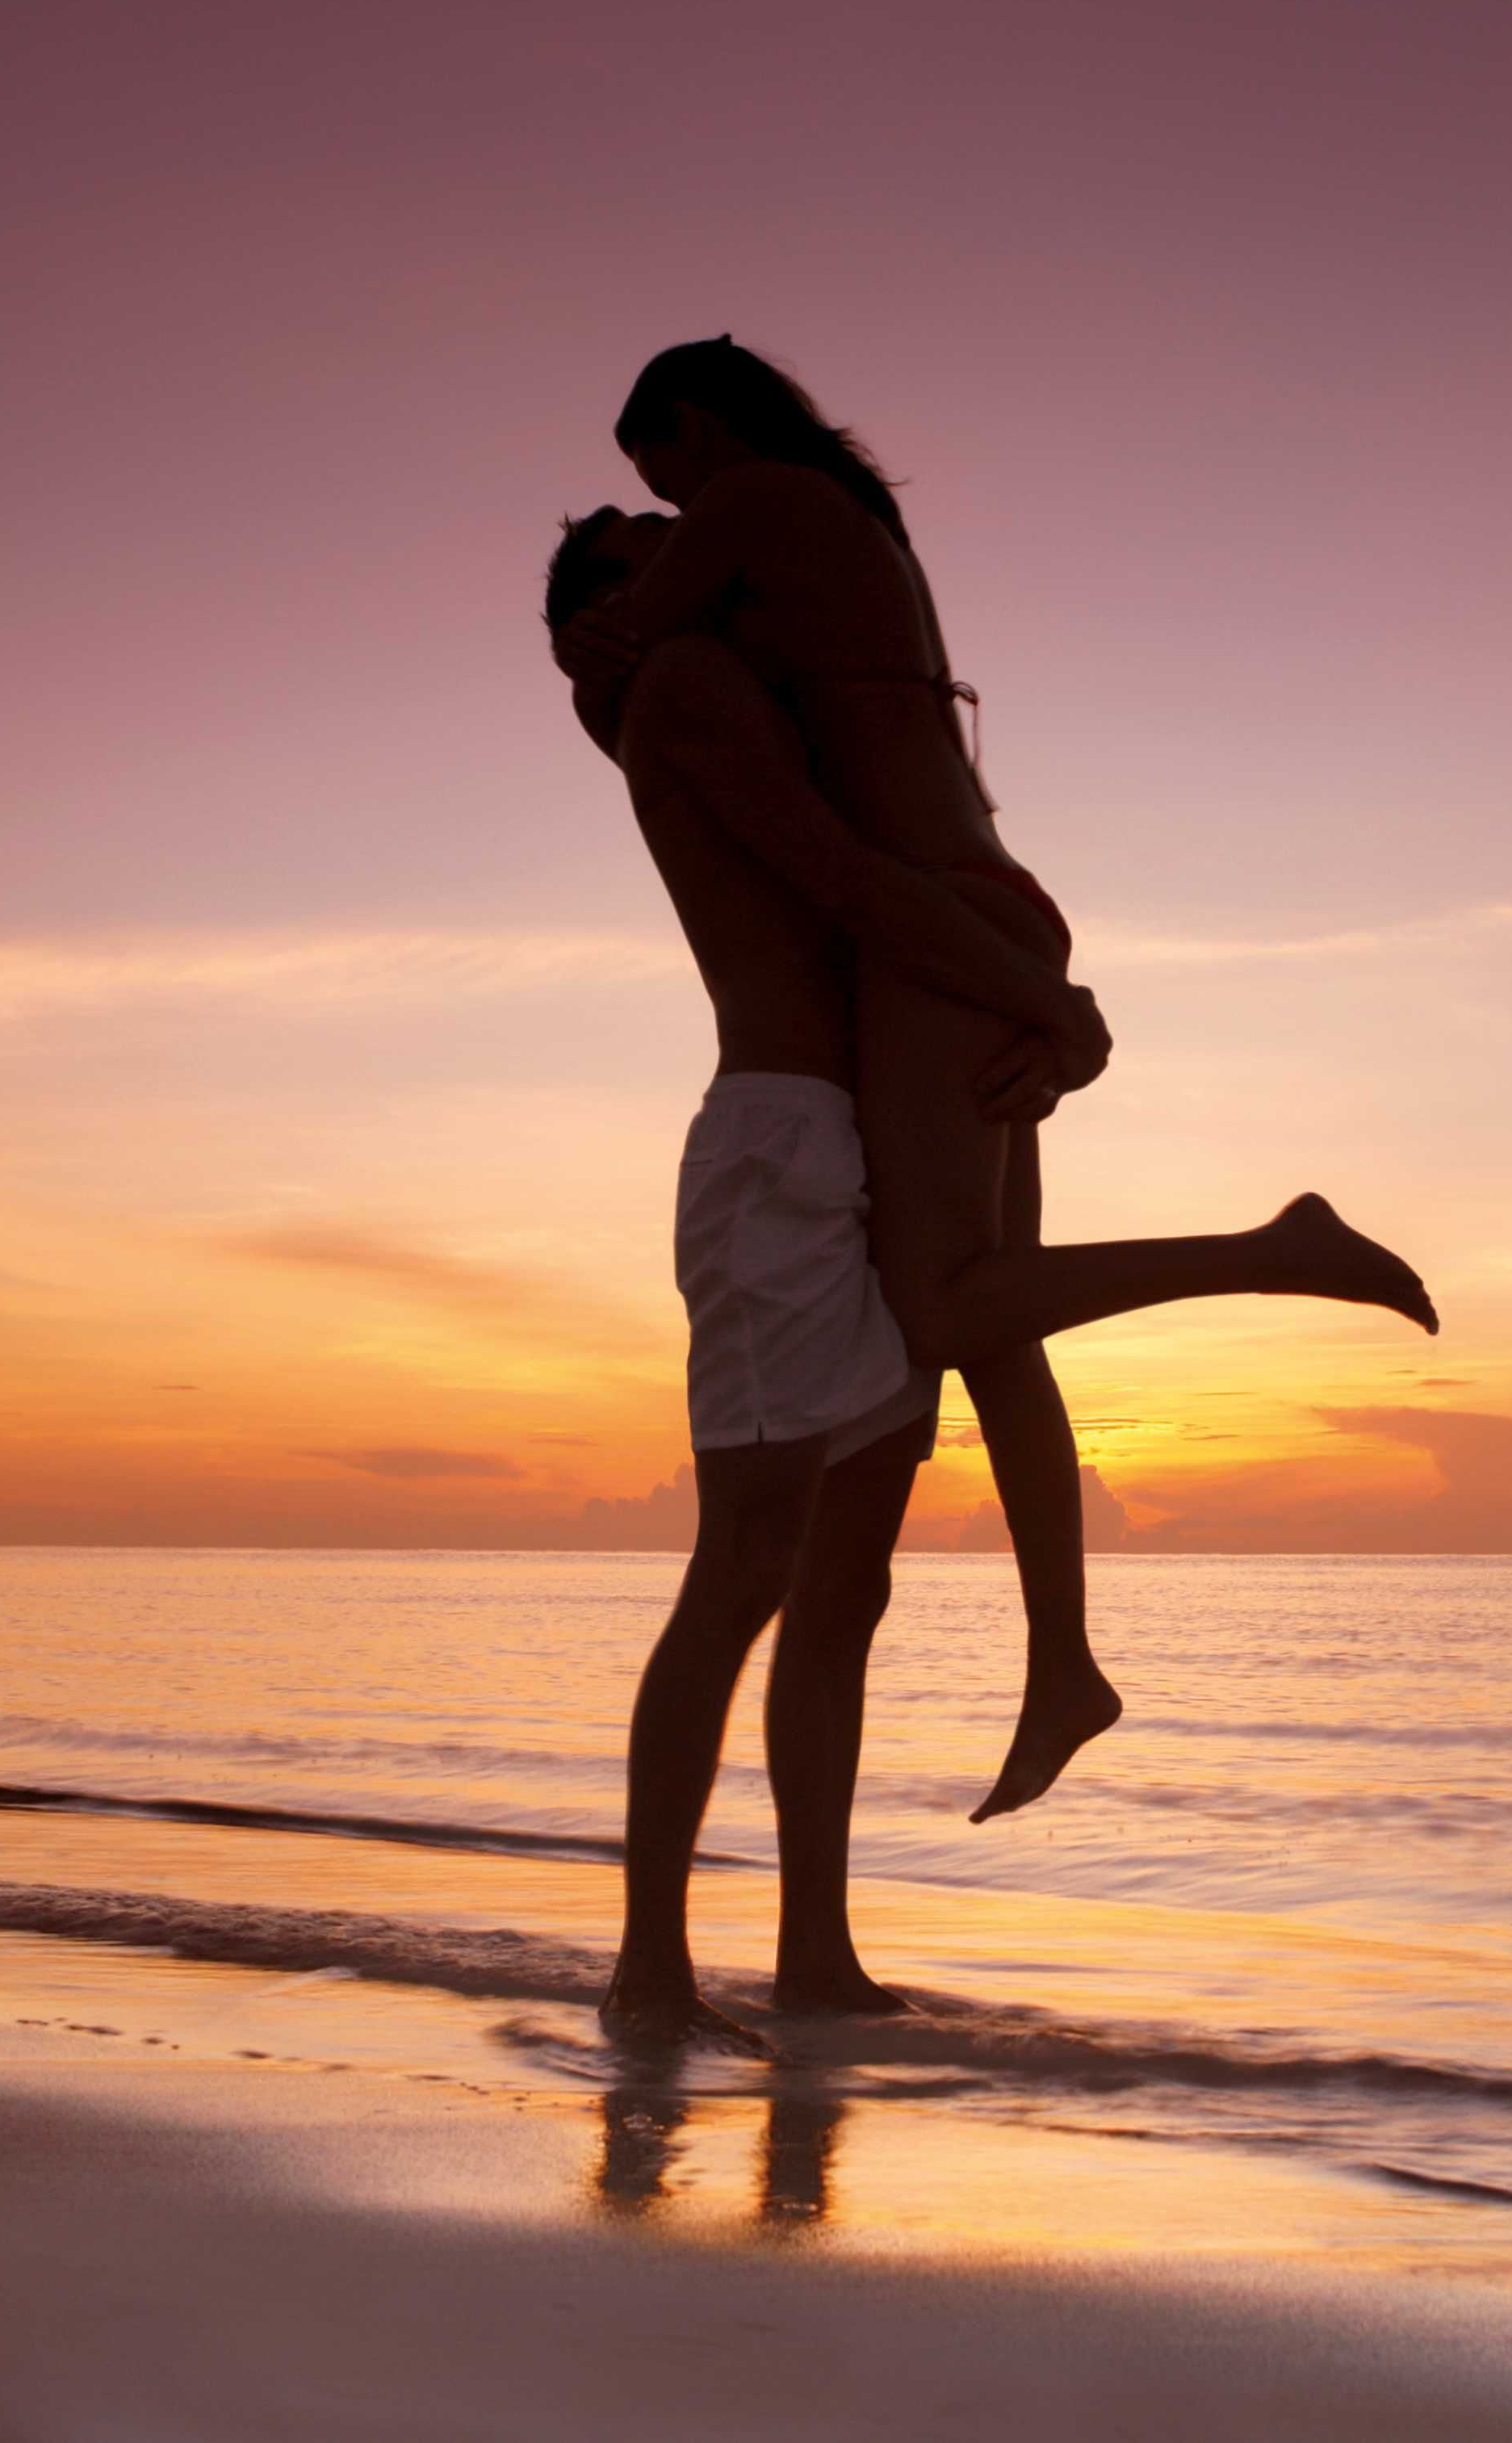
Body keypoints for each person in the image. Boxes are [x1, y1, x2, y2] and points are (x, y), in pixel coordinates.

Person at [551, 337, 1435, 1825]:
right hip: (988, 906)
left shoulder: (755, 507)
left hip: (937, 935)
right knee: (995, 1313)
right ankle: (1066, 1662)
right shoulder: (848, 530)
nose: (674, 524)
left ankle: (1277, 1250)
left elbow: (619, 654)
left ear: (700, 431)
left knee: (950, 1304)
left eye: (662, 482)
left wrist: (594, 619)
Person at [547, 512, 1108, 2046]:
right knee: (740, 1575)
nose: (677, 538)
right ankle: (647, 1972)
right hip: (783, 1157)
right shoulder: (686, 689)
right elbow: (844, 882)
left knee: (843, 1593)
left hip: (848, 1152)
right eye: (631, 541)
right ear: (611, 614)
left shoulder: (749, 681)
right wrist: (1047, 1006)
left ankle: (814, 1958)